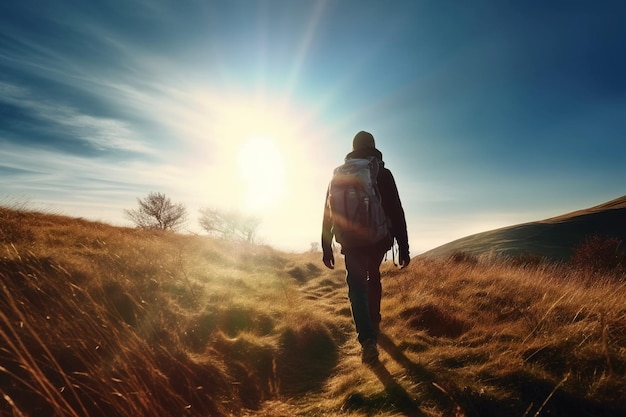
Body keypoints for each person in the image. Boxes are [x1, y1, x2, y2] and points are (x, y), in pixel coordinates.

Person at [321, 131, 410, 365]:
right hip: (378, 240)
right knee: (373, 277)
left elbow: (328, 212)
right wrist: (404, 247)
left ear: (353, 149)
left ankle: (367, 340)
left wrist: (326, 246)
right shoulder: (382, 173)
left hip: (350, 241)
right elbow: (396, 211)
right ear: (373, 147)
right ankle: (375, 321)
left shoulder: (338, 174)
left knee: (356, 287)